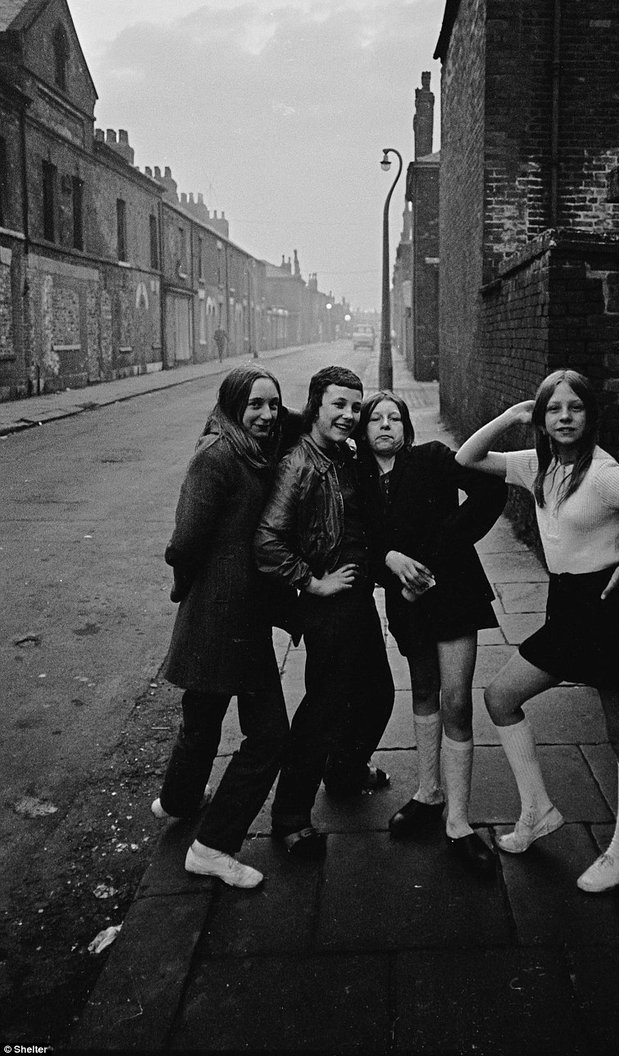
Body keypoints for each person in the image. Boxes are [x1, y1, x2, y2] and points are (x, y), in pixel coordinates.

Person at [455, 369, 619, 892]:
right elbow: (468, 458)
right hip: (565, 611)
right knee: (501, 698)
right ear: (542, 419)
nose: (565, 418)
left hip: (607, 613)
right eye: (554, 409)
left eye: (575, 408)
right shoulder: (535, 466)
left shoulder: (605, 475)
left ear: (591, 416)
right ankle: (538, 811)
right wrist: (509, 417)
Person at [152, 364, 302, 889]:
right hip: (223, 619)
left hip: (236, 616)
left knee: (203, 715)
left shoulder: (254, 449)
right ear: (233, 406)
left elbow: (298, 422)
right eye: (254, 404)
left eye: (273, 404)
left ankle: (177, 800)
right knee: (269, 738)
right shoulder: (217, 457)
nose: (266, 415)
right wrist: (192, 588)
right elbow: (184, 541)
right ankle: (212, 847)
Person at [355, 392, 507, 877]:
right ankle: (428, 793)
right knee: (423, 690)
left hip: (454, 593)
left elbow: (491, 492)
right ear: (363, 431)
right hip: (407, 600)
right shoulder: (354, 480)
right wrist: (388, 561)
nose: (385, 425)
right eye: (374, 419)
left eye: (393, 417)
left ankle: (459, 822)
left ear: (406, 427)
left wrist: (443, 545)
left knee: (457, 701)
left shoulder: (434, 458)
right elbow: (357, 539)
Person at [254, 367, 395, 856]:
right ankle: (290, 817)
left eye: (355, 407)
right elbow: (267, 542)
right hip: (328, 606)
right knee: (323, 708)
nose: (349, 415)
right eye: (338, 405)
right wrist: (313, 583)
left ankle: (345, 773)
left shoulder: (342, 453)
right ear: (315, 406)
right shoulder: (301, 464)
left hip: (355, 600)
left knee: (378, 694)